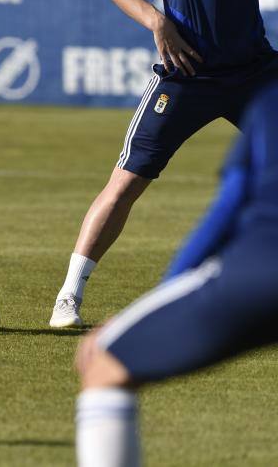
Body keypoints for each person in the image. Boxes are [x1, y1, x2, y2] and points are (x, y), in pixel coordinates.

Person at [49, 0, 278, 328]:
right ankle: (69, 295)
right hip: (186, 74)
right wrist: (157, 21)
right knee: (125, 184)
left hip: (254, 72)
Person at [73, 82, 278, 466]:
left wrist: (164, 296)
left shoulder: (269, 100)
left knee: (103, 362)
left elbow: (226, 212)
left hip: (261, 273)